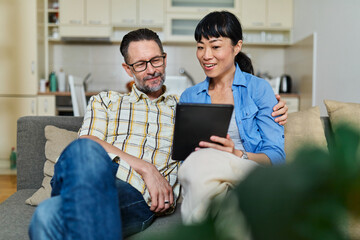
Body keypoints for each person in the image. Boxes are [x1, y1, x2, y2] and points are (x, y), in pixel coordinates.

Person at [28, 28, 288, 239]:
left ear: (164, 58)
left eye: (156, 60)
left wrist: (269, 105)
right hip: (94, 173)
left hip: (135, 197)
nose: (152, 69)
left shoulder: (186, 104)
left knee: (48, 215)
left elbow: (233, 114)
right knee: (84, 152)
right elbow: (87, 142)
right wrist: (146, 169)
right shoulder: (106, 100)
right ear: (127, 69)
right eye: (140, 64)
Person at [178, 11, 286, 223]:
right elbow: (185, 156)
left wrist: (237, 154)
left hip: (248, 171)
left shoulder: (258, 89)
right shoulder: (190, 96)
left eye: (215, 46)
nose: (206, 55)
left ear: (237, 47)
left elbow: (276, 157)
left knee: (203, 164)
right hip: (205, 176)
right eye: (200, 47)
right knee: (201, 167)